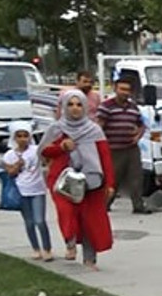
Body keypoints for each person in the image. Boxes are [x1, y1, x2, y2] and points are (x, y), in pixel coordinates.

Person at [40, 89, 115, 270]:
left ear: (85, 107)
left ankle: (90, 260)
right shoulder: (56, 128)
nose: (75, 108)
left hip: (91, 180)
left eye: (79, 104)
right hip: (63, 181)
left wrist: (110, 183)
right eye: (71, 104)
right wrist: (61, 147)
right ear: (64, 107)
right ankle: (70, 242)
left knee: (90, 220)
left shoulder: (94, 130)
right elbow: (44, 151)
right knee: (66, 211)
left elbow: (105, 156)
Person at [96, 77, 150, 214]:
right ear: (115, 89)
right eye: (122, 89)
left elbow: (141, 124)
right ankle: (104, 205)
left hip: (131, 148)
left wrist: (138, 136)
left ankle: (138, 206)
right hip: (113, 150)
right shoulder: (106, 106)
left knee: (136, 178)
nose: (125, 92)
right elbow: (98, 127)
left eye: (127, 90)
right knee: (113, 179)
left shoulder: (133, 107)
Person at [1, 121, 53, 261]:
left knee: (40, 221)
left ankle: (47, 248)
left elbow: (47, 159)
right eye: (19, 136)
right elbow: (10, 172)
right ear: (14, 138)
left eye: (25, 135)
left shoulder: (36, 150)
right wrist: (18, 164)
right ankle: (36, 248)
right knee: (29, 222)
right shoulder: (9, 155)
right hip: (21, 191)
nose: (23, 139)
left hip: (38, 189)